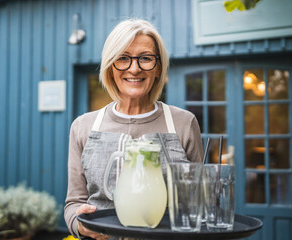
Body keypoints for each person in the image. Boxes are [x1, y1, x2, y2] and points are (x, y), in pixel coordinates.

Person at [64, 18, 203, 240]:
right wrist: (79, 224)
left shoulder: (184, 123)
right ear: (110, 67)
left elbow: (197, 202)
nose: (135, 68)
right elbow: (74, 203)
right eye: (123, 58)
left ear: (158, 68)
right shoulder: (83, 126)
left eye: (146, 58)